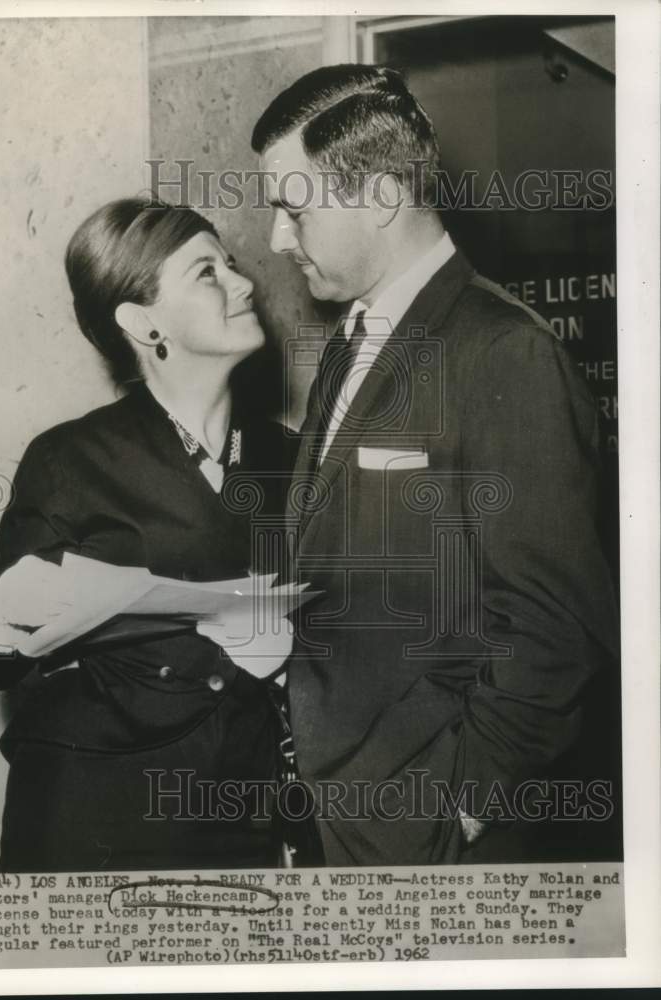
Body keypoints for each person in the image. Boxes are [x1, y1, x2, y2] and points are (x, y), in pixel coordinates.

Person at [251, 64, 619, 865]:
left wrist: (465, 804)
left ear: (382, 195)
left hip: (429, 832)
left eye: (292, 208)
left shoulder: (503, 350)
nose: (277, 238)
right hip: (341, 814)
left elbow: (555, 626)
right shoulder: (350, 345)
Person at [0, 197, 296, 873]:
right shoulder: (72, 459)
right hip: (98, 813)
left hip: (248, 814)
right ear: (143, 323)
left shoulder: (289, 457)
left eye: (231, 264)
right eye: (207, 273)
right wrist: (9, 611)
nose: (244, 283)